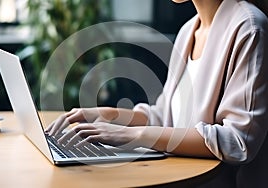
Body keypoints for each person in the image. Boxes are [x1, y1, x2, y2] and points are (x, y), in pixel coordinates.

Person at [46, 0, 268, 187]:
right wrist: (112, 116)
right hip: (179, 176)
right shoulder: (189, 31)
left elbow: (239, 141)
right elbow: (165, 118)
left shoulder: (250, 28)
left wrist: (133, 135)